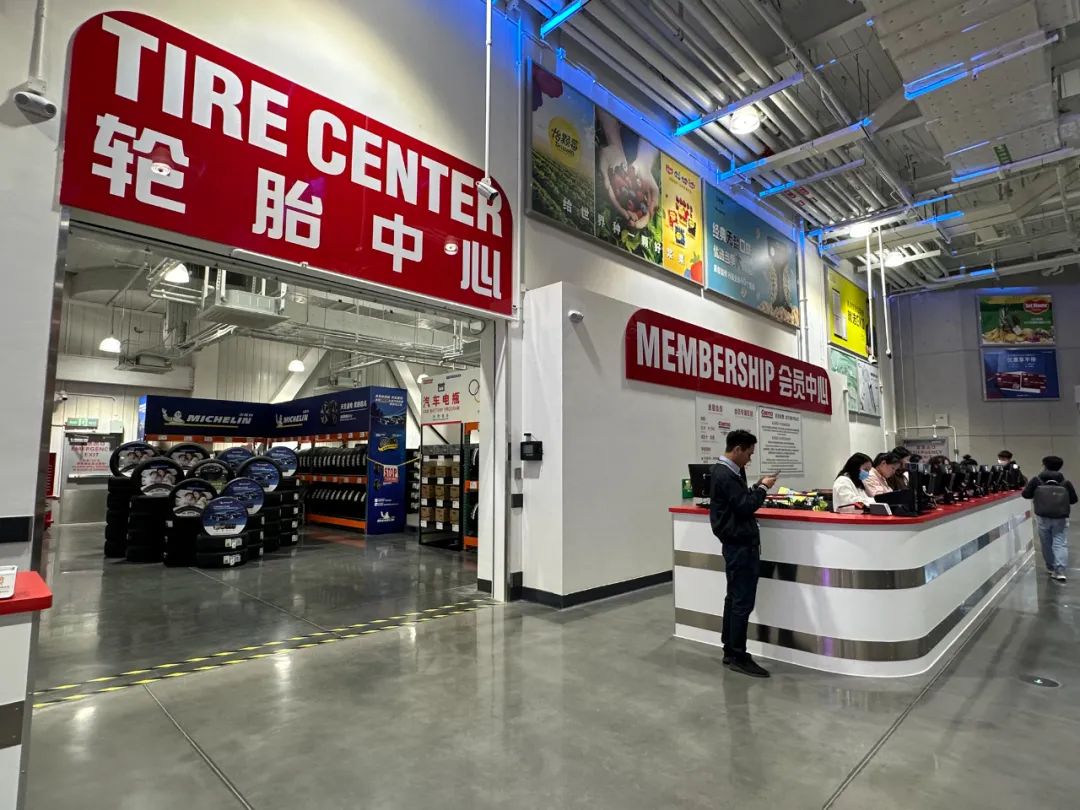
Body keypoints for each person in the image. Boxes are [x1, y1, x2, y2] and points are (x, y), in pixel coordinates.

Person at [709, 429, 778, 679]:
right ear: (737, 449)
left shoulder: (730, 472)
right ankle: (738, 655)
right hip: (740, 546)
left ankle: (731, 650)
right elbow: (744, 506)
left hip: (737, 544)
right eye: (748, 453)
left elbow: (739, 501)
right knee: (741, 602)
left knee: (734, 599)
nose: (750, 458)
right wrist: (762, 489)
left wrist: (755, 487)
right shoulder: (725, 474)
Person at [1022, 455, 1078, 582]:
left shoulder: (1036, 480)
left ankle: (1051, 567)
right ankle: (1060, 571)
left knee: (1046, 543)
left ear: (1045, 466)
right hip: (1061, 517)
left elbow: (1026, 494)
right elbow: (1074, 500)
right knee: (1060, 543)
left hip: (1042, 516)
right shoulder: (1065, 483)